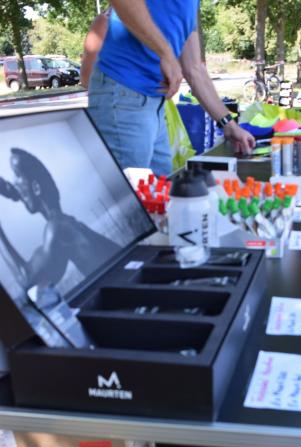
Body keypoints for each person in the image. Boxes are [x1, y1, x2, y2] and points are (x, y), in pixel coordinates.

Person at [87, 0, 254, 175]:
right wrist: (166, 53)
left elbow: (194, 69)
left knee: (162, 187)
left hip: (155, 105)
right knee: (127, 190)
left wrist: (228, 124)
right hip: (122, 93)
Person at [0, 148, 120, 289]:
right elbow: (18, 191)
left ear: (36, 188)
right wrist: (11, 191)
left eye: (17, 175)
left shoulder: (57, 230)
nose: (14, 182)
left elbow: (28, 280)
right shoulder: (67, 223)